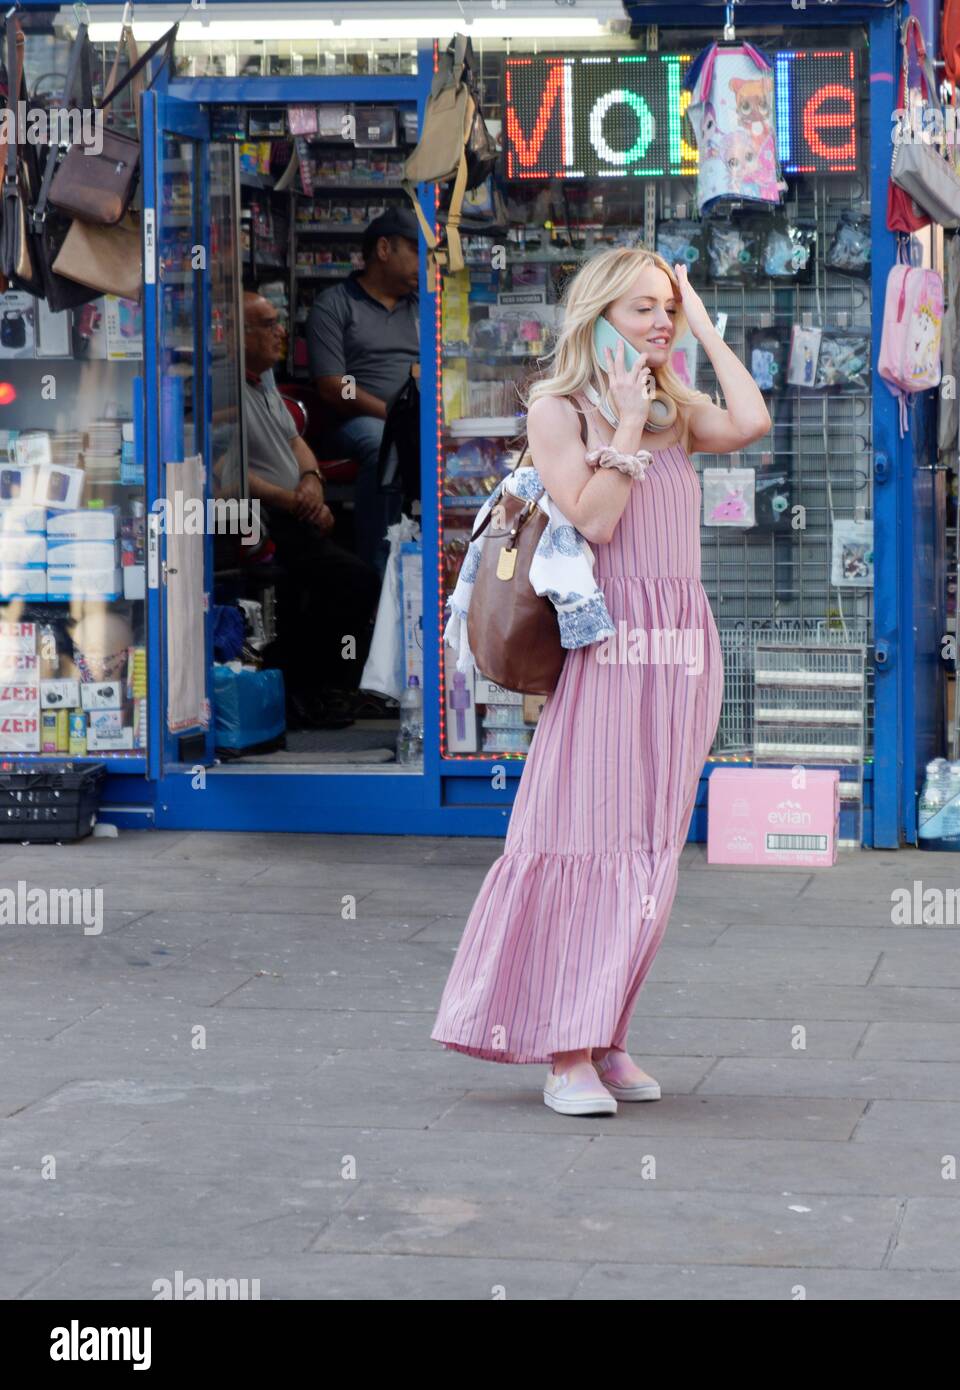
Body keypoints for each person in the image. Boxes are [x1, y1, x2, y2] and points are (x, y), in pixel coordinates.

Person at [431, 247, 772, 1116]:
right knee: (584, 837)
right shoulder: (559, 410)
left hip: (681, 649)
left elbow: (753, 419)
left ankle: (608, 1031)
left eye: (666, 307)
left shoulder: (675, 406)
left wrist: (700, 322)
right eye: (642, 311)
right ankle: (563, 1050)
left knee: (650, 856)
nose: (658, 323)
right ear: (596, 320)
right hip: (609, 648)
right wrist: (622, 426)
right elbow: (592, 516)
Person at [242, 292, 382, 729]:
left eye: (278, 321)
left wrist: (312, 482)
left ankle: (323, 686)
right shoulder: (222, 390)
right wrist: (296, 502)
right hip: (261, 519)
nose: (281, 332)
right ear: (236, 334)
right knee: (347, 579)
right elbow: (225, 475)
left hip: (295, 511)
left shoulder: (263, 381)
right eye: (267, 324)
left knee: (346, 576)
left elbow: (295, 441)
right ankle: (311, 689)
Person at [307, 206, 420, 577]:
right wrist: (392, 413)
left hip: (417, 414)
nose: (423, 261)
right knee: (382, 442)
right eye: (415, 250)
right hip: (359, 422)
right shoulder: (335, 305)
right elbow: (334, 385)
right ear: (384, 249)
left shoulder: (422, 307)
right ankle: (378, 567)